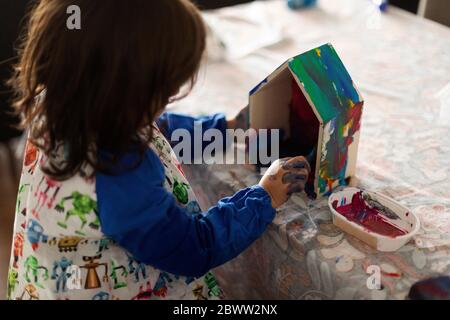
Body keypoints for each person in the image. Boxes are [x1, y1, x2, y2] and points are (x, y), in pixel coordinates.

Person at [6, 0, 310, 300]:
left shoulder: (69, 97)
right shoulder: (119, 170)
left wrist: (225, 127)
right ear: (129, 93)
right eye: (165, 92)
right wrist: (264, 196)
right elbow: (193, 248)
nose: (169, 99)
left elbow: (156, 130)